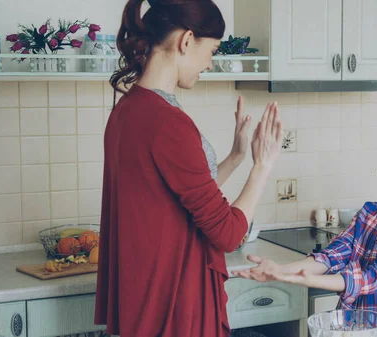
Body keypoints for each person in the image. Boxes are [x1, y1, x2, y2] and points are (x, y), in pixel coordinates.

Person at [94, 0, 283, 336]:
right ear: (186, 41)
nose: (210, 63)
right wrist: (262, 166)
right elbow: (227, 233)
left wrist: (236, 157)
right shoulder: (167, 122)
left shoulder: (127, 109)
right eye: (211, 50)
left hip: (146, 298)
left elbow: (178, 195)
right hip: (175, 302)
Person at [233, 127, 377, 331]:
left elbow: (373, 279)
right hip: (353, 328)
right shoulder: (370, 213)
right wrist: (281, 270)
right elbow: (331, 257)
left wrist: (302, 279)